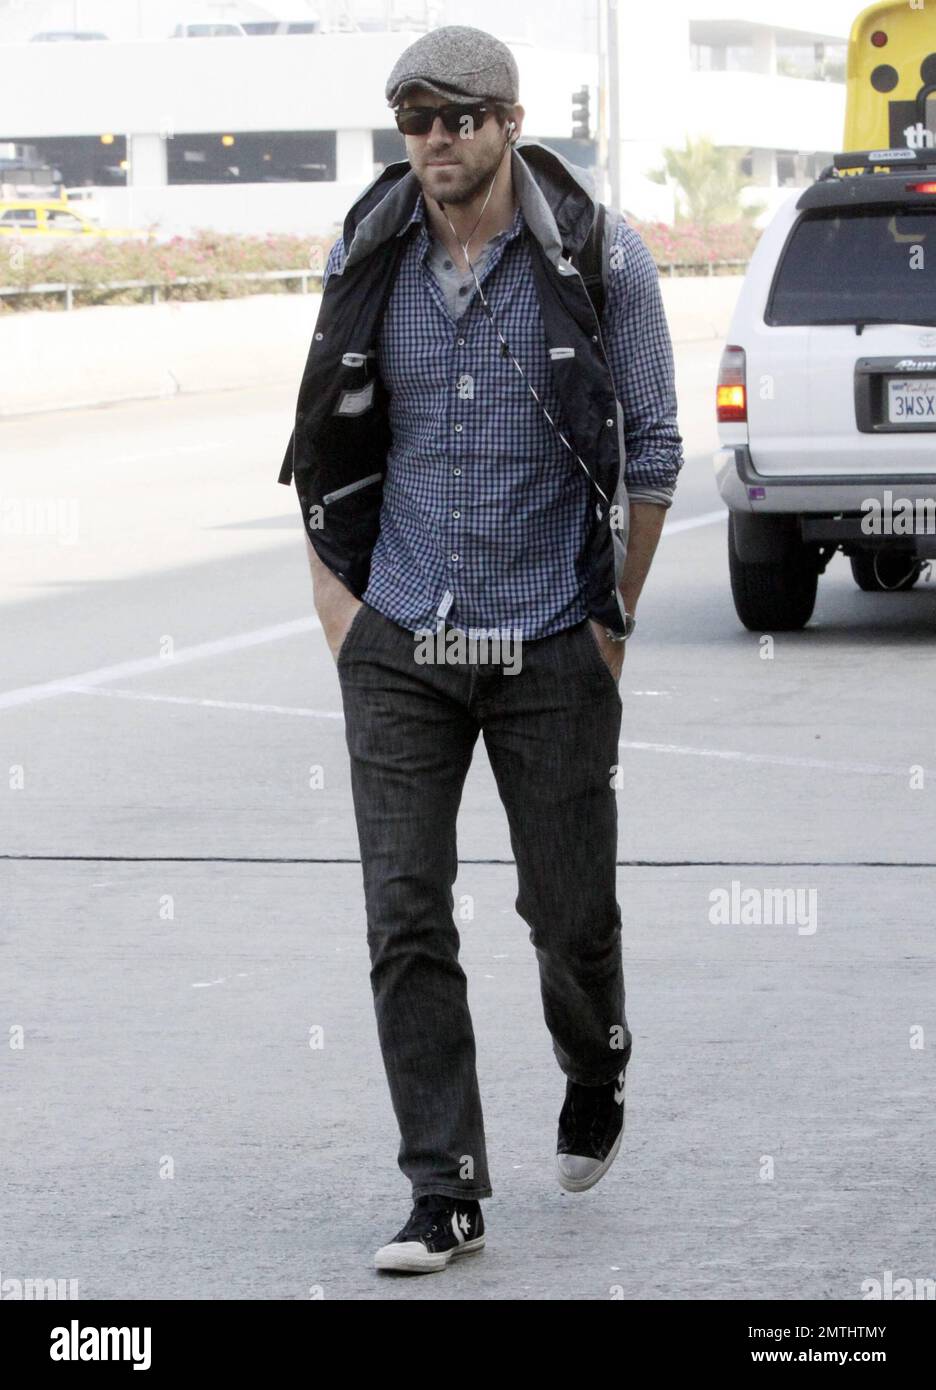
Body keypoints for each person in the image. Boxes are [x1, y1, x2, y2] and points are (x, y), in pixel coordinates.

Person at [278, 24, 684, 1275]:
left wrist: (609, 623)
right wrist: (341, 615)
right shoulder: (368, 245)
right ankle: (442, 1187)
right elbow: (324, 438)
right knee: (404, 913)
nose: (436, 139)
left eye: (458, 116)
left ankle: (595, 1059)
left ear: (510, 122)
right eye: (415, 118)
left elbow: (656, 444)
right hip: (401, 629)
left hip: (553, 632)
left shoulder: (598, 253)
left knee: (567, 915)